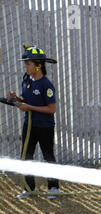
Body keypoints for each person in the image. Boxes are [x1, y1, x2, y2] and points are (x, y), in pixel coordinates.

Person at [7, 45, 60, 199]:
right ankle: (29, 188)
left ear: (38, 66)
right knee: (26, 156)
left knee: (48, 156)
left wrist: (29, 107)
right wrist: (16, 98)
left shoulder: (46, 84)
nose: (26, 66)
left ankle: (53, 188)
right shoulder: (26, 80)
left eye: (28, 63)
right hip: (29, 126)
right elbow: (25, 100)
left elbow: (51, 109)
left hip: (45, 127)